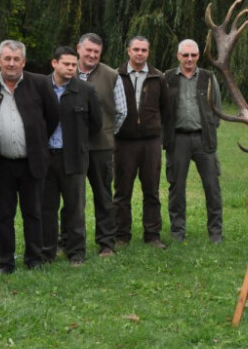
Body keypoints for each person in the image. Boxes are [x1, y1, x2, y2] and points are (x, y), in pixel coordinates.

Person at [0, 40, 59, 274]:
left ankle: (34, 259)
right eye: (7, 59)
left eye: (16, 59)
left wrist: (36, 142)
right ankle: (6, 261)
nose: (12, 63)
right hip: (1, 164)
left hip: (32, 162)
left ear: (23, 61)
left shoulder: (40, 84)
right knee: (4, 215)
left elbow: (52, 117)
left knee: (33, 213)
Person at [41, 46, 102, 266]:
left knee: (75, 207)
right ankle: (47, 252)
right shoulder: (41, 88)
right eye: (66, 64)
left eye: (73, 64)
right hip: (46, 157)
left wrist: (78, 141)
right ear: (54, 63)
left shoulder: (85, 90)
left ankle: (76, 252)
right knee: (47, 207)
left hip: (74, 156)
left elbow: (96, 124)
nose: (70, 68)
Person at [163, 39, 224, 243]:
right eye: (185, 55)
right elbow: (162, 109)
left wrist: (208, 128)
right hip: (177, 139)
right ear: (178, 56)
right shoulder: (168, 78)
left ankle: (215, 231)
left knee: (212, 187)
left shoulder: (208, 77)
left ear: (198, 56)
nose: (189, 59)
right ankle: (177, 231)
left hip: (203, 140)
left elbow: (217, 109)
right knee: (177, 187)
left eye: (193, 55)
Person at [114, 36, 170, 249]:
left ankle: (153, 235)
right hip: (123, 142)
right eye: (136, 49)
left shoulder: (159, 77)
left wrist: (156, 132)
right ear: (128, 50)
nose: (139, 53)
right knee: (122, 191)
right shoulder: (116, 75)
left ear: (148, 52)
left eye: (144, 50)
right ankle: (121, 236)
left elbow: (166, 109)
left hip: (150, 143)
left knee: (152, 191)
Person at [76, 33, 127, 257]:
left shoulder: (111, 75)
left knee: (104, 196)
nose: (92, 55)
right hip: (71, 148)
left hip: (101, 147)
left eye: (96, 52)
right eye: (88, 50)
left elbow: (122, 112)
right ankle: (69, 241)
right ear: (79, 49)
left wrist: (106, 132)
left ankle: (106, 243)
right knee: (72, 197)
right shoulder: (65, 70)